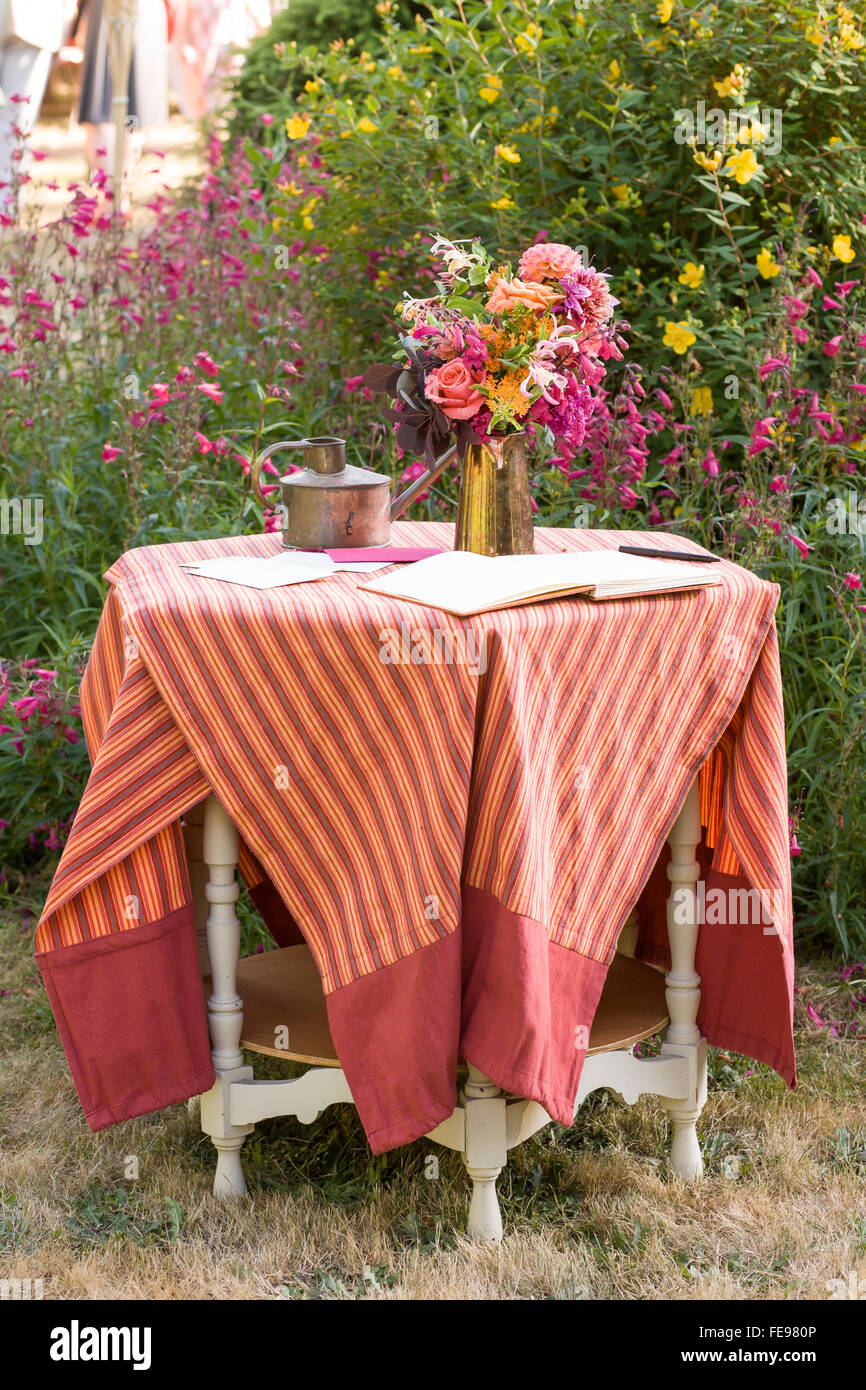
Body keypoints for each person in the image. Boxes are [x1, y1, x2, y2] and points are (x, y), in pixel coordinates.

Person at [77, 0, 169, 182]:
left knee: (133, 112)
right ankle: (110, 187)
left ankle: (119, 187)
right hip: (107, 13)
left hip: (137, 14)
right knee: (101, 106)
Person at [0, 1, 76, 211]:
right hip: (37, 21)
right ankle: (6, 208)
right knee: (16, 124)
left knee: (17, 123)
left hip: (35, 24)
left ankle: (6, 208)